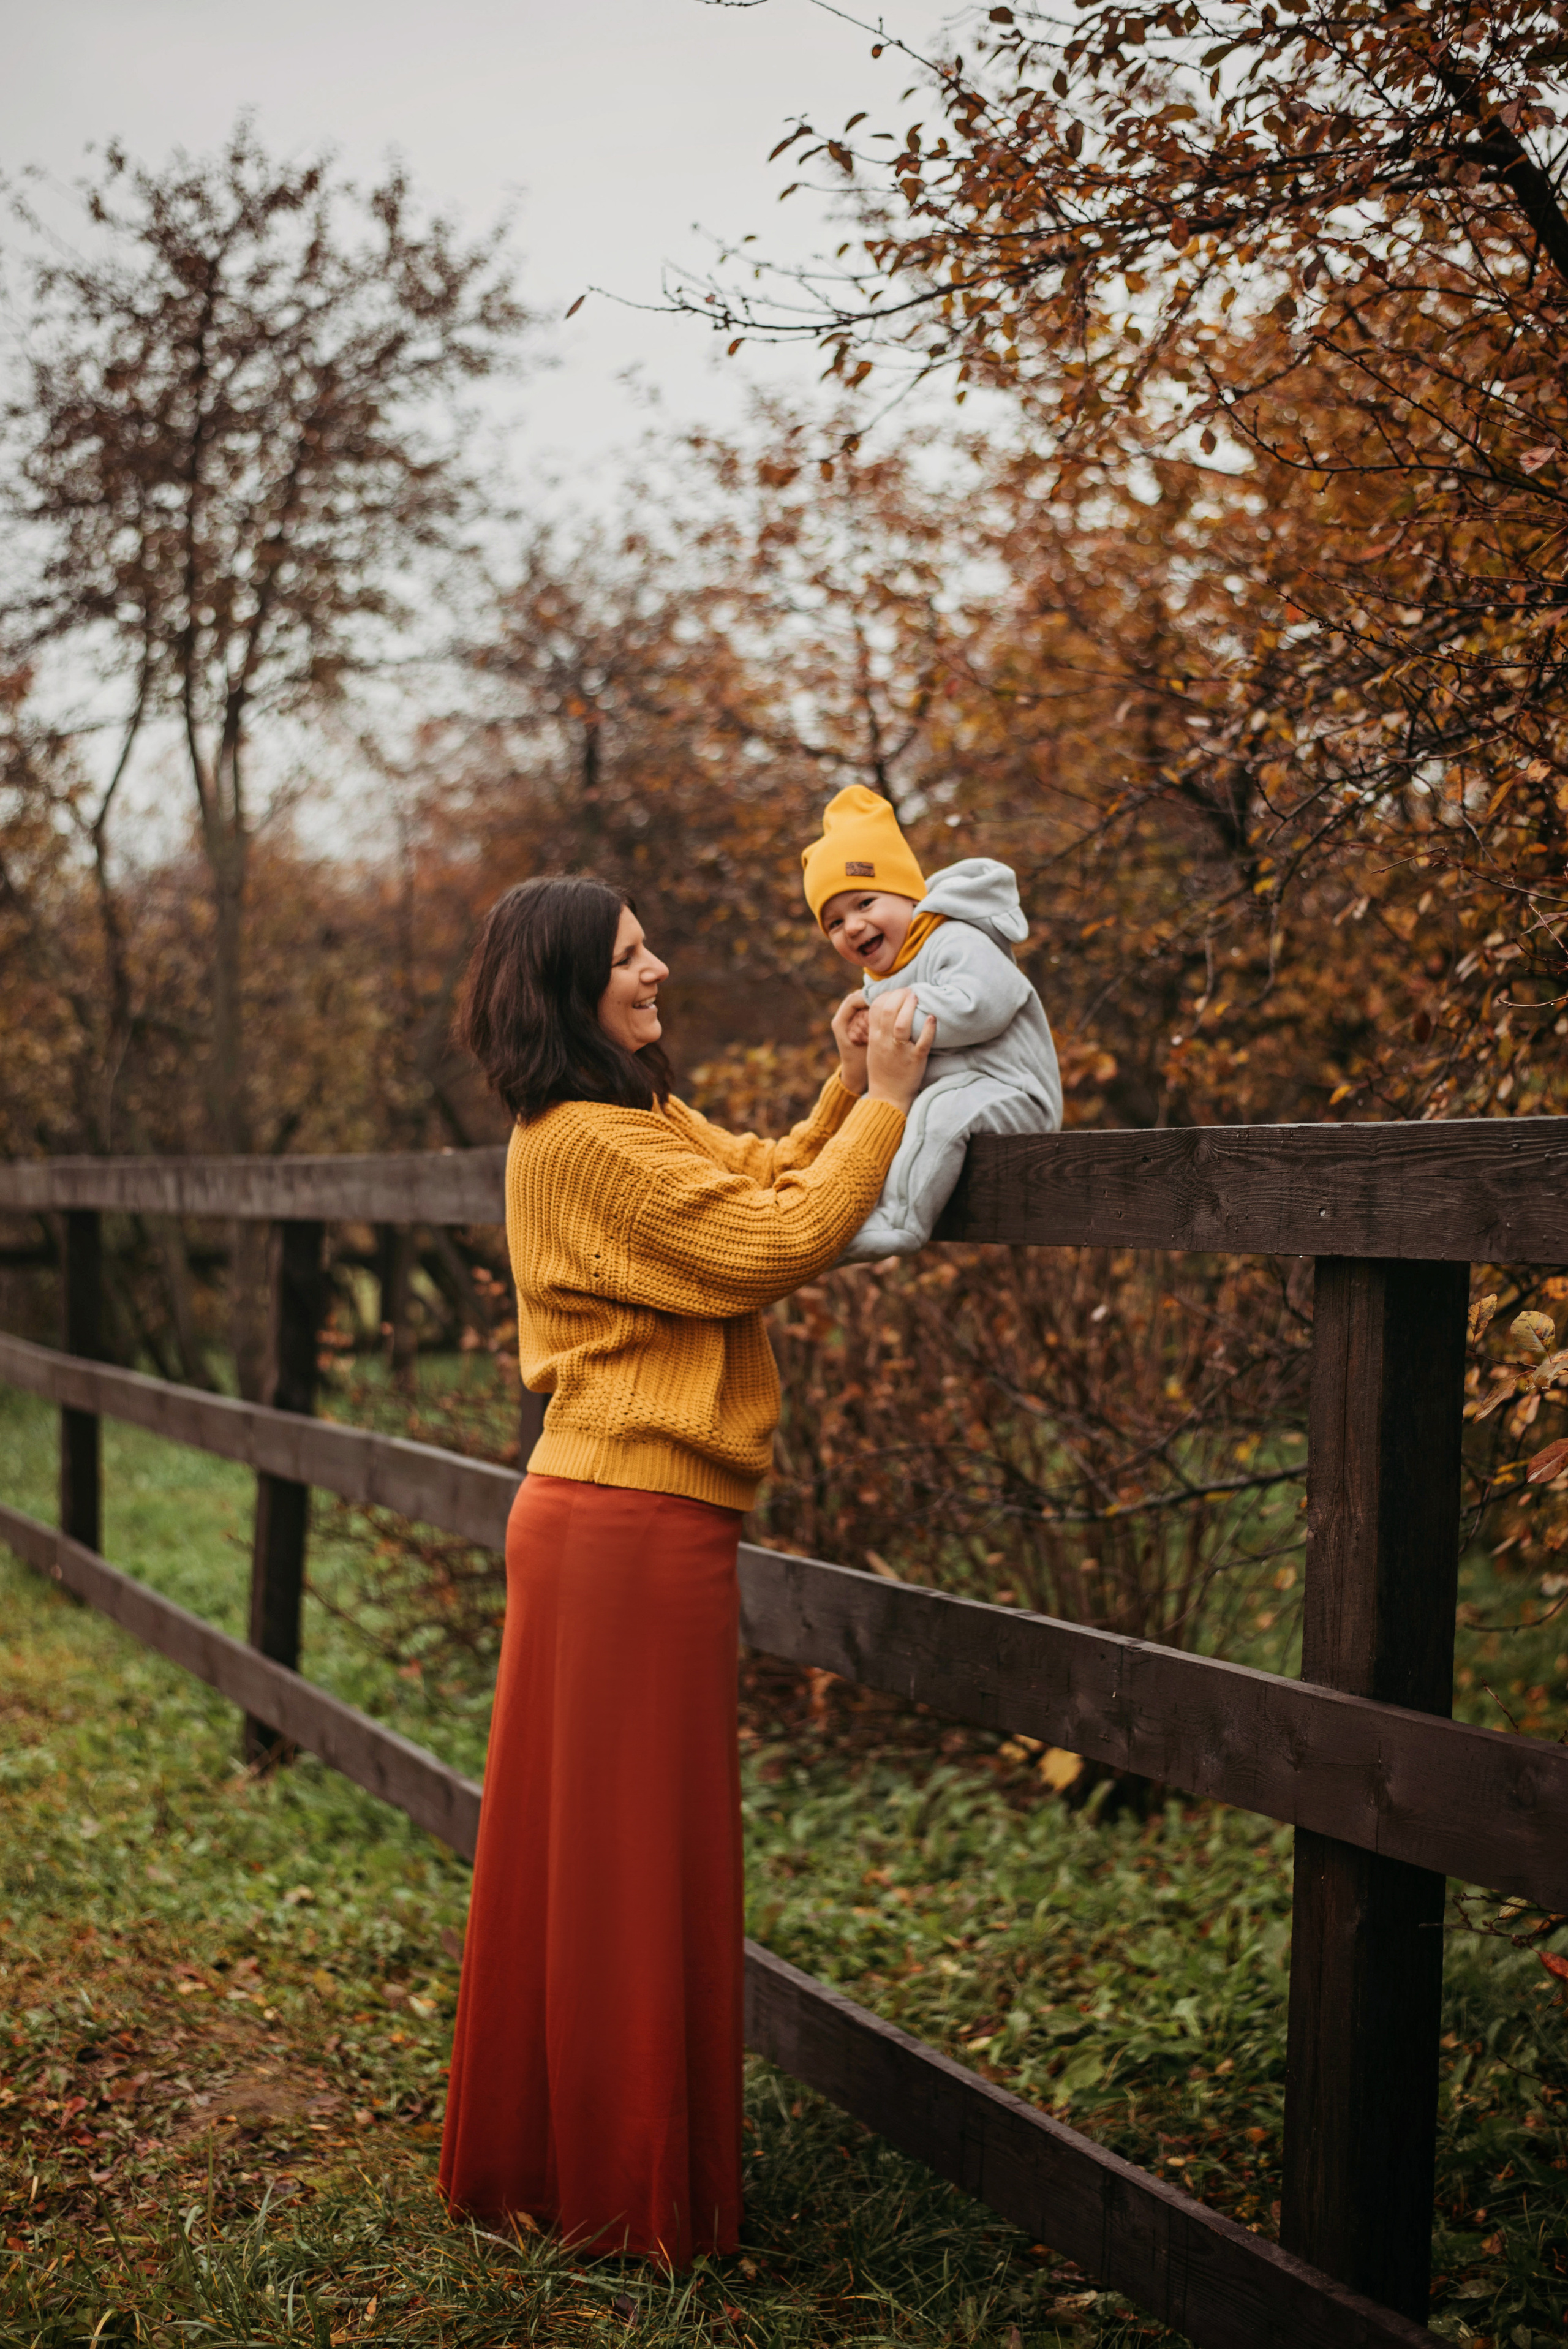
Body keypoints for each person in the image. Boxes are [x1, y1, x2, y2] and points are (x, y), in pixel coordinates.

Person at [437, 872, 932, 2268]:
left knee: (612, 1861)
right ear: (566, 988)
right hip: (620, 1526)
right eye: (630, 956)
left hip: (624, 1519)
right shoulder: (582, 1140)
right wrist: (894, 1102)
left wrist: (843, 1093)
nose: (658, 971)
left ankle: (569, 2166)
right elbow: (768, 1242)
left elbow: (760, 1170)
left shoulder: (630, 1118)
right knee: (628, 1867)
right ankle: (620, 2191)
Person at [801, 786, 1062, 1260]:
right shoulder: (881, 980)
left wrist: (895, 1012)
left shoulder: (954, 937)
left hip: (1015, 1094)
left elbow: (979, 1005)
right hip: (963, 1103)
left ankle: (901, 1223)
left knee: (939, 1109)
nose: (853, 926)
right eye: (834, 923)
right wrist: (865, 1038)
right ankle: (843, 1211)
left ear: (907, 894)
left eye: (864, 903)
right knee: (886, 1118)